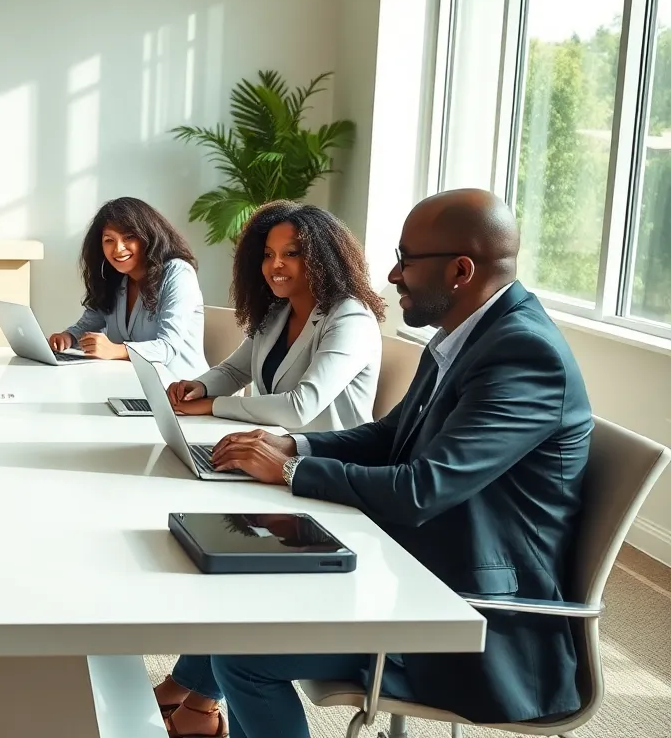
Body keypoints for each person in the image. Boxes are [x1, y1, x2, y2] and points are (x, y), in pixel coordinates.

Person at [157, 189, 592, 738]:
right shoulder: (470, 334)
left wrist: (291, 472)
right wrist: (297, 448)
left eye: (407, 260)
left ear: (461, 270)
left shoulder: (524, 354)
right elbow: (393, 436)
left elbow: (422, 490)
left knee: (244, 656)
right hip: (413, 569)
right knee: (236, 591)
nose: (391, 274)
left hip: (469, 617)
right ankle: (191, 699)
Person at [166, 201, 385, 432]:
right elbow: (235, 371)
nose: (275, 265)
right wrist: (199, 387)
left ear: (322, 258)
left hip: (329, 460)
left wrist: (212, 405)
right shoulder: (278, 312)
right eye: (268, 254)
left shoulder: (351, 318)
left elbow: (300, 407)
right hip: (276, 445)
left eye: (290, 253)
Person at [48, 197, 206, 380]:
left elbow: (167, 347)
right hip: (130, 387)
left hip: (180, 394)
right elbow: (88, 323)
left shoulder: (178, 274)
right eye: (109, 240)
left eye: (129, 237)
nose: (118, 249)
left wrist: (117, 350)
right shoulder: (115, 279)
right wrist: (68, 337)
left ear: (149, 236)